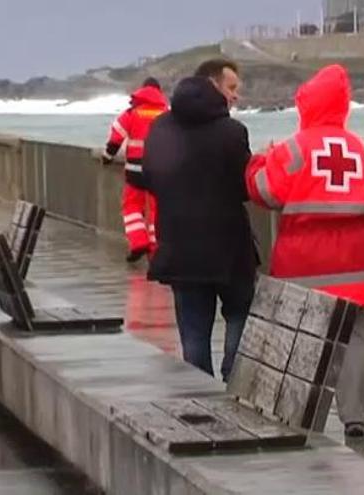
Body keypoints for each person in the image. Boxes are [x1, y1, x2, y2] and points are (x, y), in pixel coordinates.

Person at [246, 64, 364, 439]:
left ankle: (296, 413)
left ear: (307, 105)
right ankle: (355, 416)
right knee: (355, 336)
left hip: (304, 258)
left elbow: (263, 192)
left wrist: (260, 160)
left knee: (301, 335)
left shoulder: (292, 149)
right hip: (358, 258)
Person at [143, 59, 256, 381]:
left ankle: (201, 395)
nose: (235, 97)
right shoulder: (233, 132)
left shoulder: (160, 127)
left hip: (179, 248)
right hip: (228, 250)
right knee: (240, 313)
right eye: (232, 88)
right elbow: (244, 188)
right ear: (213, 84)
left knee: (193, 334)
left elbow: (147, 178)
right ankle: (232, 376)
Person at [103, 77, 169, 263]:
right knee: (157, 209)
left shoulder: (132, 113)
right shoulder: (166, 113)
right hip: (160, 170)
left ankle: (139, 242)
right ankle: (157, 249)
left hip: (134, 170)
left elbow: (116, 138)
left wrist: (107, 157)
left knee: (132, 206)